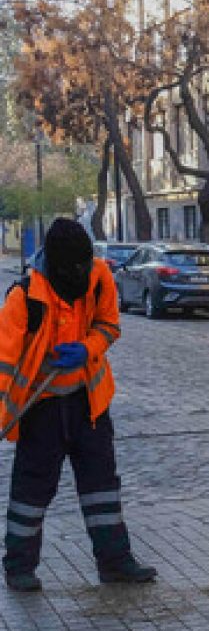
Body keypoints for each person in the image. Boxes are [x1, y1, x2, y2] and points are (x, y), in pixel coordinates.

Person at [1, 218, 156, 592]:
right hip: (42, 408)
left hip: (89, 403)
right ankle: (19, 566)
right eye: (73, 269)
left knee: (101, 485)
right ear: (54, 265)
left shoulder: (99, 276)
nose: (81, 274)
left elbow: (109, 326)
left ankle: (115, 563)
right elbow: (3, 364)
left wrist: (87, 349)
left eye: (85, 265)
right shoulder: (24, 298)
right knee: (32, 490)